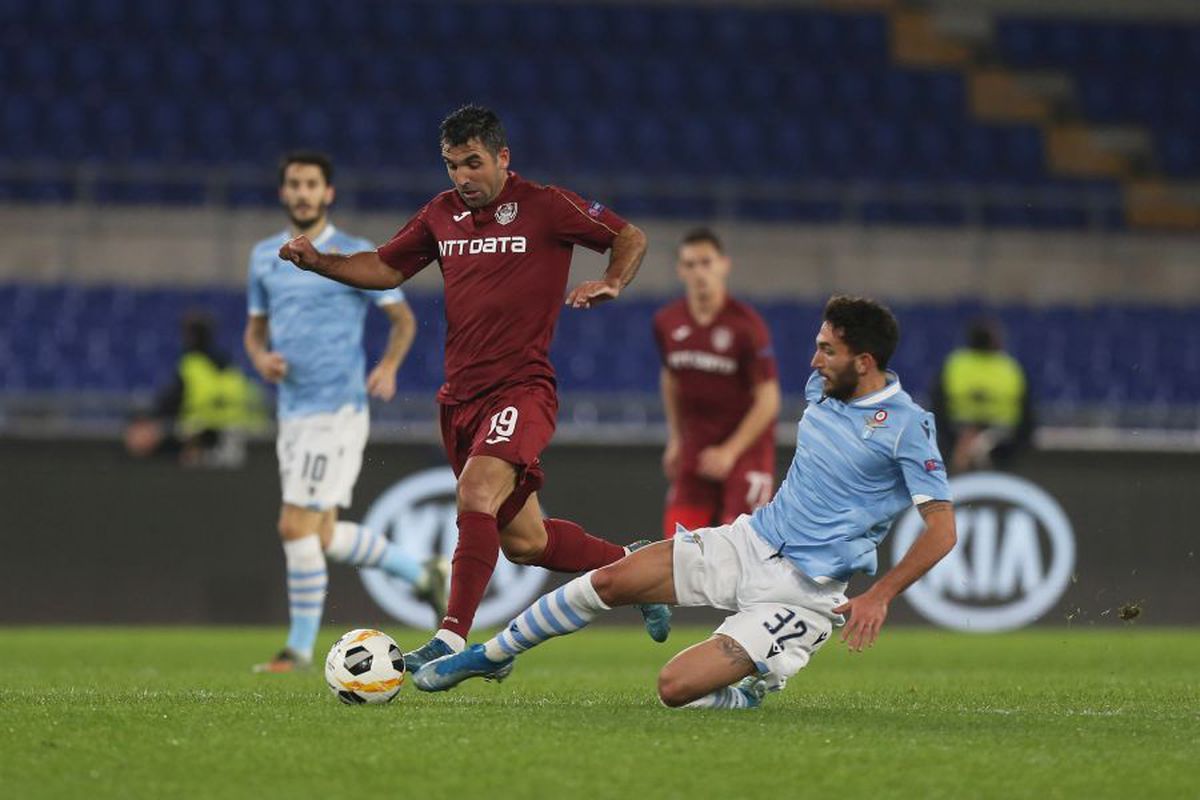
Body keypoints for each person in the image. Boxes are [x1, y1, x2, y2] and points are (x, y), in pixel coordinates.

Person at [413, 296, 959, 711]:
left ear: (864, 362)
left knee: (674, 688)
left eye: (827, 349)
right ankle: (491, 656)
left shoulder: (908, 429)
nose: (814, 360)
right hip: (750, 541)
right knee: (610, 581)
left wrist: (880, 596)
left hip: (805, 594)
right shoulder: (826, 389)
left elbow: (942, 531)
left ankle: (749, 692)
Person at [277, 105, 670, 672]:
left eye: (473, 163)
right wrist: (320, 262)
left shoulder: (546, 205)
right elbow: (386, 268)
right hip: (459, 399)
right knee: (527, 543)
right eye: (452, 165)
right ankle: (635, 567)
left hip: (522, 389)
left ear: (502, 157)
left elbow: (627, 235)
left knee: (474, 493)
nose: (462, 177)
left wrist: (611, 280)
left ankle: (453, 639)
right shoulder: (440, 214)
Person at [245, 150, 447, 674]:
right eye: (295, 183)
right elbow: (255, 329)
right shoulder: (264, 255)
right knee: (324, 534)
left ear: (327, 193)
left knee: (295, 526)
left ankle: (296, 649)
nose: (303, 192)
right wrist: (260, 358)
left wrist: (388, 366)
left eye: (312, 183)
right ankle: (422, 573)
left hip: (335, 410)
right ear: (284, 192)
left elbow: (402, 320)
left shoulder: (354, 253)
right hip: (292, 411)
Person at [654, 228, 780, 539]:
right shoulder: (667, 322)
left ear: (724, 264)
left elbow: (769, 399)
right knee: (680, 547)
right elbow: (670, 377)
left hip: (746, 450)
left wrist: (730, 451)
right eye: (691, 264)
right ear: (680, 270)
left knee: (744, 549)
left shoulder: (746, 326)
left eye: (706, 263)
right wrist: (675, 438)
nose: (699, 272)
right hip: (696, 448)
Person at [124, 311, 266, 467]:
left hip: (202, 445)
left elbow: (168, 404)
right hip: (239, 449)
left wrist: (149, 422)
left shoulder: (191, 366)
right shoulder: (232, 369)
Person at [930, 317, 1033, 473]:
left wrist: (946, 440)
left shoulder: (955, 364)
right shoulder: (1009, 368)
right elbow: (1027, 409)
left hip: (959, 433)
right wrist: (1018, 447)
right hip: (1002, 436)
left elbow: (937, 403)